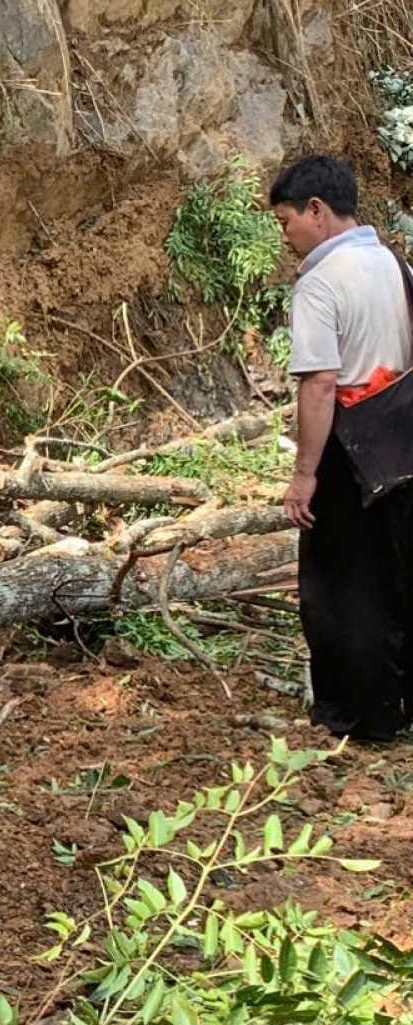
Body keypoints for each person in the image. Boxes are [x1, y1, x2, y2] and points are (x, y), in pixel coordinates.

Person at [270, 154, 413, 741]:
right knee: (398, 577)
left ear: (316, 211)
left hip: (346, 447)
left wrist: (305, 474)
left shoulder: (320, 282)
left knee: (339, 586)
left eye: (285, 223)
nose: (285, 238)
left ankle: (358, 715)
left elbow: (320, 382)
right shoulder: (396, 265)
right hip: (401, 441)